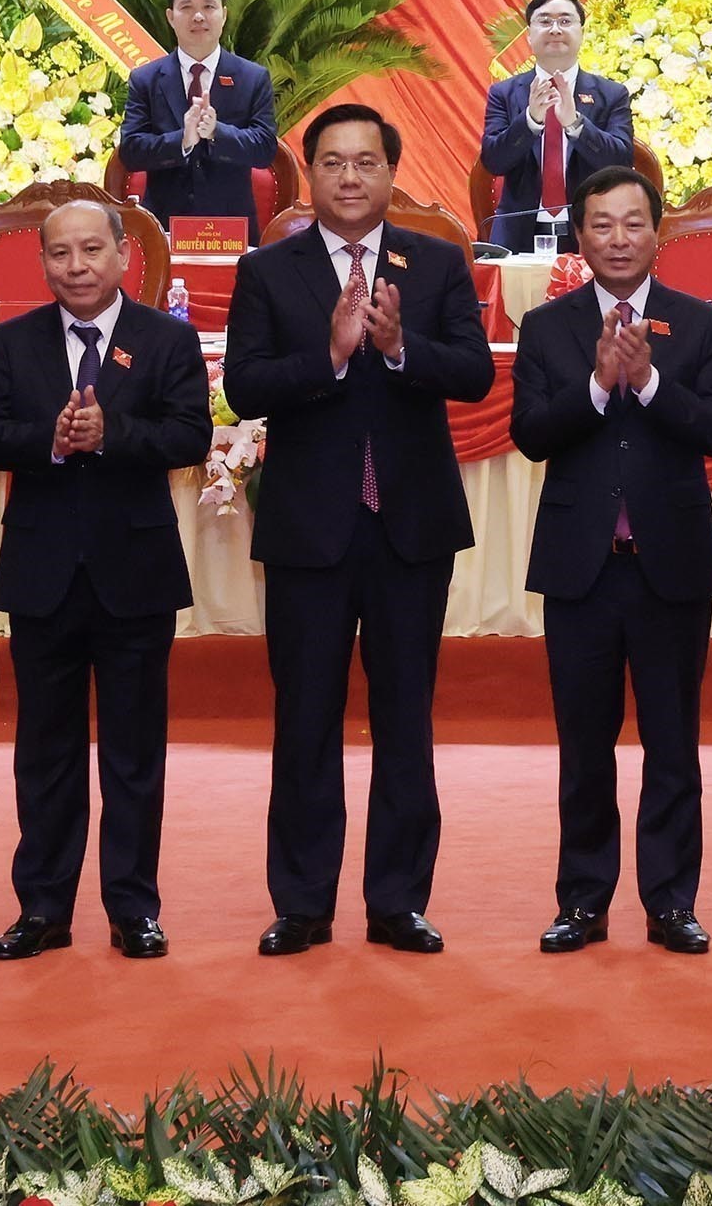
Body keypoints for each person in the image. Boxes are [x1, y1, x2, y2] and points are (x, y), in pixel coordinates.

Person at [226, 102, 497, 955]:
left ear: (391, 172)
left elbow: (478, 373)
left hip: (409, 528)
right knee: (304, 718)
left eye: (367, 161)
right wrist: (335, 354)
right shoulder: (269, 270)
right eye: (334, 161)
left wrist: (399, 343)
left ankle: (396, 901)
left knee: (406, 719)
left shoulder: (441, 263)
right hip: (311, 529)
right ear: (310, 174)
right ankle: (302, 903)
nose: (350, 176)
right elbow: (243, 386)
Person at [0, 197, 215, 962]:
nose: (77, 267)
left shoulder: (166, 338)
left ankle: (132, 907)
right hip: (42, 571)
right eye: (60, 254)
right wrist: (51, 439)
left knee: (135, 753)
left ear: (122, 254)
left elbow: (190, 433)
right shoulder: (13, 341)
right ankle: (42, 907)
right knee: (45, 750)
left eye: (91, 251)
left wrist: (113, 435)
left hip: (134, 571)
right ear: (42, 263)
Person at [510, 166, 712, 957]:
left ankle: (672, 901)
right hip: (582, 565)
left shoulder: (700, 324)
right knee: (584, 742)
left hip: (668, 563)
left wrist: (647, 381)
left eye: (632, 223)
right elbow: (533, 433)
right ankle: (583, 899)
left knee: (674, 743)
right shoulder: (547, 327)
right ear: (580, 235)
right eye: (601, 224)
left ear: (657, 231)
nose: (617, 238)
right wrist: (600, 387)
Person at [117, 0, 278, 228]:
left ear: (224, 14)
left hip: (231, 229)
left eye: (208, 7)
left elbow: (265, 149)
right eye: (187, 7)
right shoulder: (145, 79)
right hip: (163, 228)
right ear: (171, 16)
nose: (198, 17)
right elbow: (132, 151)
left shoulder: (252, 77)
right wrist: (182, 140)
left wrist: (217, 132)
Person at [479, 0, 634, 253]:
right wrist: (530, 121)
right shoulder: (504, 93)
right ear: (529, 35)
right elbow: (493, 161)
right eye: (545, 21)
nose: (555, 29)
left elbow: (621, 162)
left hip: (591, 237)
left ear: (581, 32)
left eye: (565, 21)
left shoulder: (611, 94)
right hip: (519, 239)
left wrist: (575, 124)